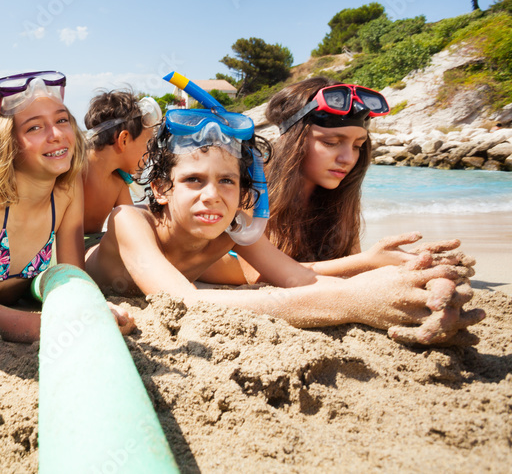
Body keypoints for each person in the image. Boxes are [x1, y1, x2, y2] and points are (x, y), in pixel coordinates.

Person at [85, 104, 484, 346]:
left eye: (227, 181)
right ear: (160, 188)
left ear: (243, 190)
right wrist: (355, 300)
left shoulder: (235, 227)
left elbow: (299, 280)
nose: (212, 196)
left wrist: (407, 284)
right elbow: (183, 300)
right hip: (100, 272)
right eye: (193, 180)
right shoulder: (128, 220)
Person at [200, 77, 467, 285]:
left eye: (358, 145)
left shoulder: (338, 197)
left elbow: (351, 265)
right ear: (290, 139)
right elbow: (259, 275)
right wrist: (373, 261)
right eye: (331, 142)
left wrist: (406, 263)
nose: (347, 158)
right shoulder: (250, 189)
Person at [0, 72, 133, 342]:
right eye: (34, 127)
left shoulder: (66, 189)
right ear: (10, 142)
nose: (56, 135)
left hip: (23, 298)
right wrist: (43, 326)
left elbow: (72, 272)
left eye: (62, 120)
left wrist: (90, 305)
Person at [82, 89, 160, 248]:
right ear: (123, 140)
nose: (150, 152)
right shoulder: (75, 172)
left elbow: (134, 224)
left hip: (94, 246)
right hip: (67, 253)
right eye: (148, 143)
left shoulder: (118, 181)